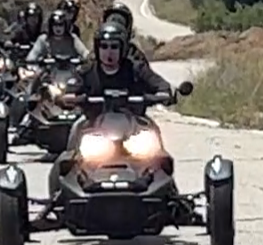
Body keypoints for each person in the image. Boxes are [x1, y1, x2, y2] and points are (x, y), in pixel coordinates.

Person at [48, 21, 177, 179]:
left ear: (123, 48)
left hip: (135, 125)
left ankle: (168, 188)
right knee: (69, 152)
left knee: (159, 153)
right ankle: (63, 187)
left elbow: (161, 85)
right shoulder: (87, 71)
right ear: (97, 48)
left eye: (114, 47)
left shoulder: (136, 68)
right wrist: (66, 98)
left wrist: (166, 94)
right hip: (93, 125)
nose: (109, 52)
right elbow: (70, 90)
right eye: (104, 46)